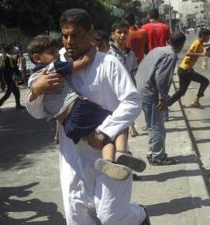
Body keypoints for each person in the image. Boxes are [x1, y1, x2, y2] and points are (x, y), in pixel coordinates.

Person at [26, 9, 149, 225]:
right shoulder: (54, 66)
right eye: (65, 35)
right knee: (77, 218)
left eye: (75, 35)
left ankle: (140, 214)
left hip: (107, 154)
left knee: (112, 217)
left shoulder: (108, 63)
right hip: (72, 158)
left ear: (89, 35)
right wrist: (36, 90)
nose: (69, 41)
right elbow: (39, 112)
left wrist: (104, 132)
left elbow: (132, 101)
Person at [27, 35, 146, 180]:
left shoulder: (33, 80)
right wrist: (92, 51)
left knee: (96, 137)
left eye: (57, 51)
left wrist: (35, 89)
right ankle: (120, 153)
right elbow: (83, 63)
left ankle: (109, 162)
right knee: (115, 123)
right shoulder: (54, 67)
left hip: (68, 124)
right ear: (37, 58)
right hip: (78, 110)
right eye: (52, 52)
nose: (58, 55)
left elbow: (39, 106)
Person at [135, 32, 186, 166]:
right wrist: (162, 98)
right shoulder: (170, 55)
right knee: (158, 126)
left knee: (152, 125)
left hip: (142, 90)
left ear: (169, 40)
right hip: (151, 93)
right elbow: (161, 78)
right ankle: (158, 157)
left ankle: (152, 152)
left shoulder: (158, 49)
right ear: (181, 45)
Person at [108, 20, 139, 138]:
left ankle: (131, 128)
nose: (122, 35)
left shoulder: (130, 53)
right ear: (113, 34)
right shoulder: (108, 53)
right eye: (119, 32)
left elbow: (132, 72)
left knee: (128, 110)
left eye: (125, 32)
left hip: (127, 88)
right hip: (112, 90)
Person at [168, 28, 210, 108]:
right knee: (205, 81)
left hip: (184, 70)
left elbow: (203, 52)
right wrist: (201, 54)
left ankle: (166, 104)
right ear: (203, 36)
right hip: (185, 71)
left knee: (181, 92)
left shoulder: (200, 43)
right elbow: (188, 53)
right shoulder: (196, 43)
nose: (209, 38)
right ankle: (196, 102)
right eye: (208, 36)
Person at [0, 45, 25, 112]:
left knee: (16, 91)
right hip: (8, 77)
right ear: (9, 50)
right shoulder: (9, 57)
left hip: (7, 76)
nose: (13, 50)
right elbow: (13, 68)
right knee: (8, 93)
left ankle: (18, 105)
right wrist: (20, 75)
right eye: (12, 49)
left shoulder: (7, 57)